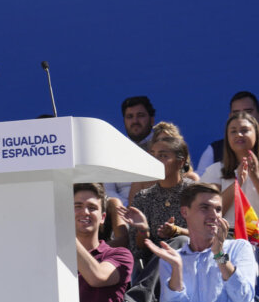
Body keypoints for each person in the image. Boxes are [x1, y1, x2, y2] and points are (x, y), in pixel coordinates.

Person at [139, 183, 255, 302]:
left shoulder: (238, 248)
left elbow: (244, 299)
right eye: (205, 208)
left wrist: (219, 255)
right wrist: (177, 269)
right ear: (185, 212)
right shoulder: (173, 258)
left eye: (218, 209)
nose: (214, 215)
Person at [74, 183, 133, 302]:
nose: (85, 212)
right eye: (77, 206)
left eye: (92, 207)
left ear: (103, 218)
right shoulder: (49, 257)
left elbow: (97, 277)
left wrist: (64, 234)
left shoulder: (119, 254)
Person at [121, 135, 193, 266]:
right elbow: (139, 251)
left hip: (192, 262)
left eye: (163, 156)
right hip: (155, 266)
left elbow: (206, 235)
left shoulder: (195, 193)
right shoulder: (143, 197)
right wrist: (143, 230)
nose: (156, 161)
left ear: (180, 162)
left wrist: (177, 231)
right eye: (153, 156)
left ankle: (145, 287)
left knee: (180, 241)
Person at [200, 112, 259, 225]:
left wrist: (255, 177)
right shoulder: (214, 170)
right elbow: (209, 214)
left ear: (256, 133)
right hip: (227, 236)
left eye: (244, 130)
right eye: (233, 131)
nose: (239, 135)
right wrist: (238, 182)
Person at [105, 96, 156, 202]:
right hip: (122, 212)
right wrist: (128, 210)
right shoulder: (111, 151)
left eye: (140, 115)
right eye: (130, 117)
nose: (135, 121)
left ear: (151, 120)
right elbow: (108, 190)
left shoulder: (165, 146)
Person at [197, 91, 259, 173]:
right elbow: (200, 184)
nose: (242, 116)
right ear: (230, 117)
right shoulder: (214, 151)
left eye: (248, 112)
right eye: (236, 113)